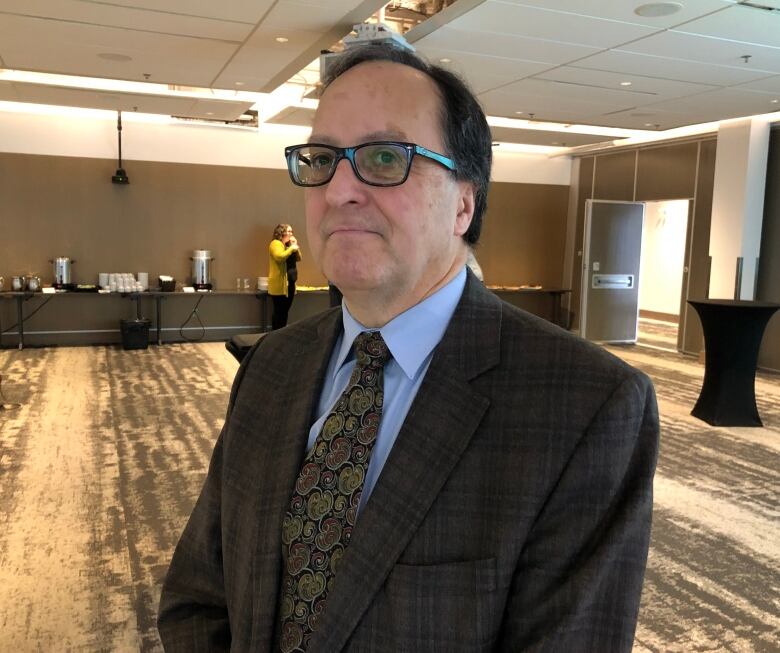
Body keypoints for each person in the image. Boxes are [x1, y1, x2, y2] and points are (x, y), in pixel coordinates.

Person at [159, 42, 659, 652]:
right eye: (321, 158)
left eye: (384, 156)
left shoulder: (589, 406)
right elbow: (199, 597)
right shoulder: (270, 365)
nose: (339, 189)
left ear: (464, 204)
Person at [268, 223, 301, 329]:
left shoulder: (288, 246)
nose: (291, 234)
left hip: (289, 284)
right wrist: (291, 249)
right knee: (279, 312)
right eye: (289, 231)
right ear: (281, 233)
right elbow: (279, 257)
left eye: (292, 231)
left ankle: (280, 333)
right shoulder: (275, 243)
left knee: (285, 312)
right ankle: (275, 334)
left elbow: (299, 258)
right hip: (279, 286)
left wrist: (293, 246)